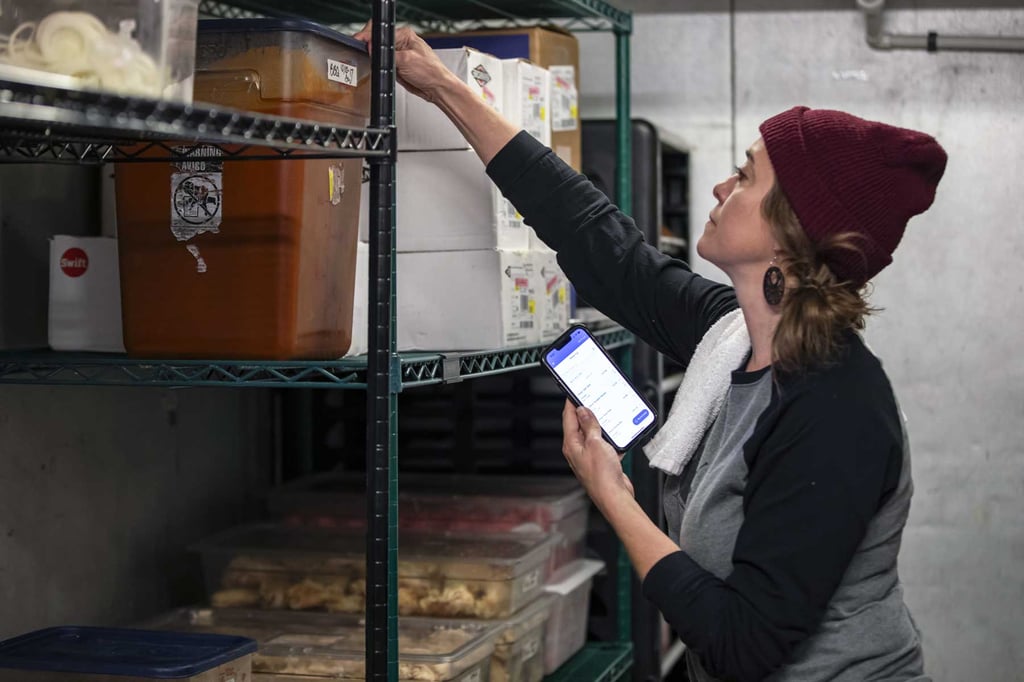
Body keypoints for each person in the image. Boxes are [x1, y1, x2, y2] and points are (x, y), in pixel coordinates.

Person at [356, 23, 948, 682]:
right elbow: (606, 251)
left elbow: (743, 646)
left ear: (790, 231)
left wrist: (614, 496)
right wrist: (444, 88)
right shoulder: (734, 336)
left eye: (745, 177)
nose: (723, 189)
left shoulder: (837, 407)